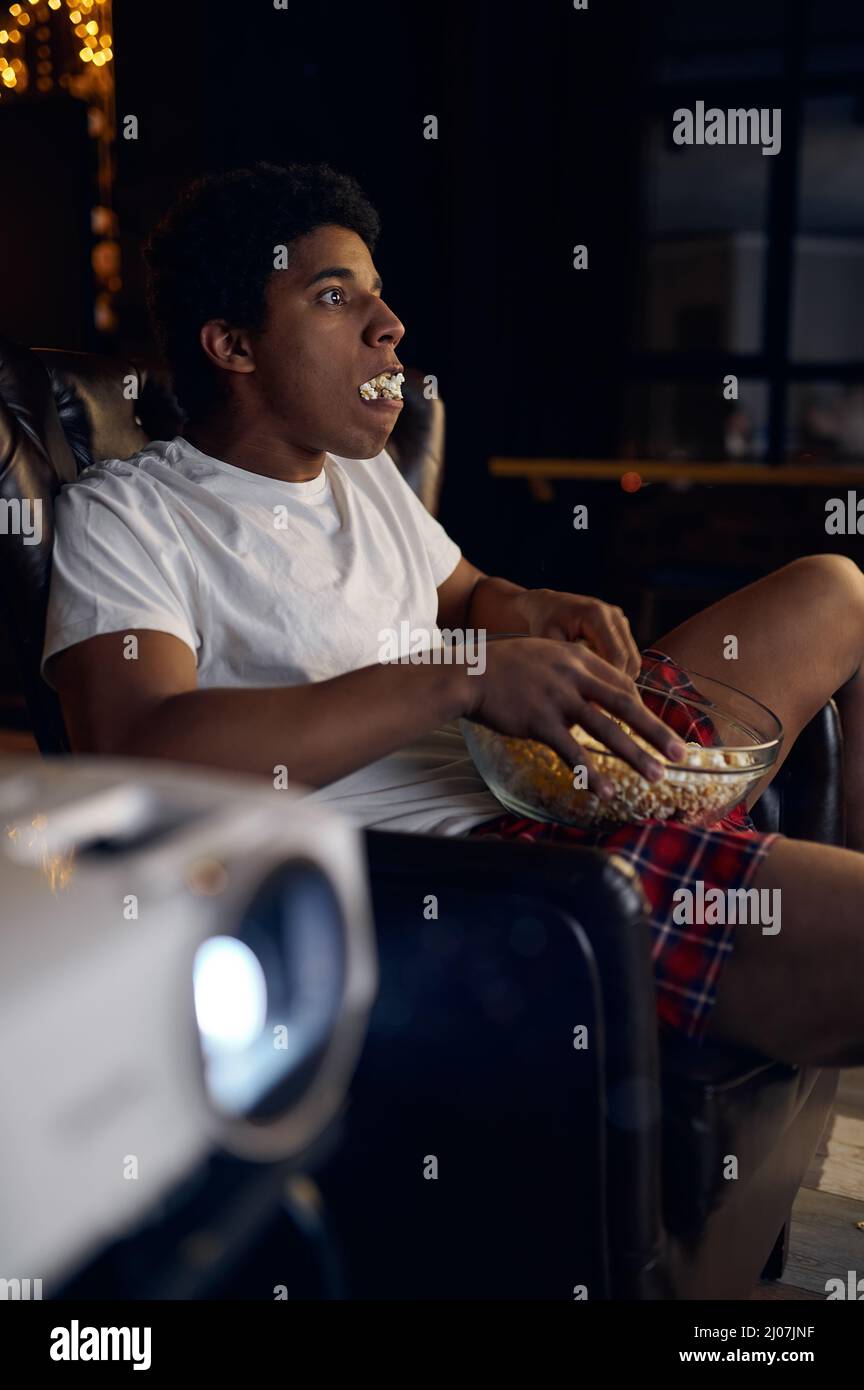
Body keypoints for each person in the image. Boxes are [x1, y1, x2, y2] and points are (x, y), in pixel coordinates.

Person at [42, 162, 864, 1069]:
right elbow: (142, 749)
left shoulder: (358, 474)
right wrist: (466, 678)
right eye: (333, 297)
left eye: (379, 297)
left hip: (545, 776)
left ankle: (740, 877)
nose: (390, 328)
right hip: (469, 859)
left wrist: (534, 608)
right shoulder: (129, 514)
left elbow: (467, 593)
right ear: (233, 345)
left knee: (835, 589)